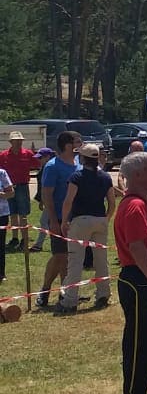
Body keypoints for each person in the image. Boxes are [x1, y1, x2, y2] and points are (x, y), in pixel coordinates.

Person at [111, 152, 147, 394]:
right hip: (138, 279)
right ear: (139, 174)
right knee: (138, 341)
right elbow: (137, 247)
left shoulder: (143, 203)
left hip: (143, 278)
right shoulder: (134, 206)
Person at [59, 142, 116, 312]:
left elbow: (68, 201)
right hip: (100, 219)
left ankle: (70, 300)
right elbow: (112, 202)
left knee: (76, 260)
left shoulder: (77, 177)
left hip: (80, 220)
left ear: (83, 158)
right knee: (101, 259)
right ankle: (103, 294)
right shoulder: (106, 177)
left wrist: (64, 221)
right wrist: (106, 218)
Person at [36, 131, 80, 309]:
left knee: (71, 257)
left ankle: (66, 292)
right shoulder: (53, 166)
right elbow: (47, 195)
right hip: (58, 217)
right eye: (78, 141)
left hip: (75, 218)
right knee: (60, 256)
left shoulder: (77, 163)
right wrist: (53, 220)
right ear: (68, 145)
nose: (81, 143)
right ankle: (44, 291)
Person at [1, 130, 36, 252]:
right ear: (11, 142)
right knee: (12, 213)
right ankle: (15, 238)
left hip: (22, 186)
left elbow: (37, 164)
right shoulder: (3, 155)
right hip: (9, 187)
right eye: (16, 141)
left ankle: (24, 239)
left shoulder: (28, 154)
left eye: (20, 141)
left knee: (23, 214)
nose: (19, 143)